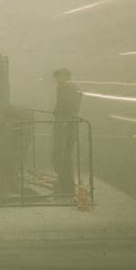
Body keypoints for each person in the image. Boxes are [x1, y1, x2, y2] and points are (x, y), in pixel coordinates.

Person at [51, 68, 82, 196]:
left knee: (62, 154)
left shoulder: (68, 88)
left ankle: (66, 186)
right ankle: (66, 184)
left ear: (66, 77)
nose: (57, 80)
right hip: (66, 124)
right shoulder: (67, 88)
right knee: (64, 154)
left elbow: (68, 107)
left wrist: (63, 120)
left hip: (65, 125)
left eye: (59, 77)